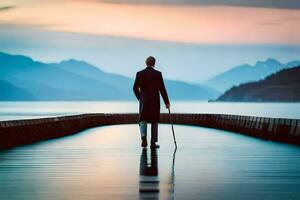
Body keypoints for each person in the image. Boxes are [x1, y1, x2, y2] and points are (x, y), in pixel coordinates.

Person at [133, 56, 170, 148]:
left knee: (143, 119)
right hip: (154, 101)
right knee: (154, 121)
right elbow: (162, 89)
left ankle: (143, 137)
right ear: (154, 63)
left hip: (144, 101)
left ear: (146, 63)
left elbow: (134, 88)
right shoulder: (157, 74)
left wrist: (140, 98)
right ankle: (153, 143)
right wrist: (167, 102)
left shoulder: (139, 73)